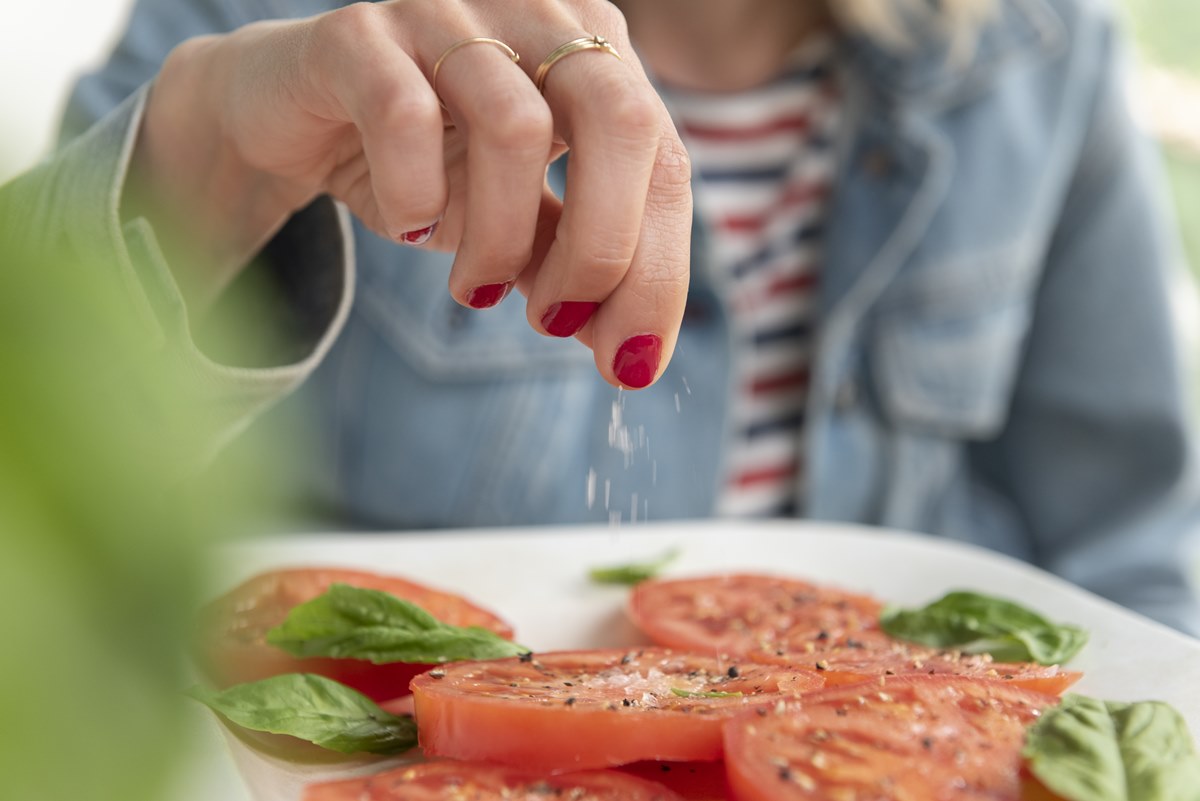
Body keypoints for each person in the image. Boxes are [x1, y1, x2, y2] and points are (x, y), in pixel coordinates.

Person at [8, 0, 1199, 635]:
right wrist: (214, 154)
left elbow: (1134, 548)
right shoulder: (288, 18)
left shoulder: (1045, 55)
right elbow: (43, 493)